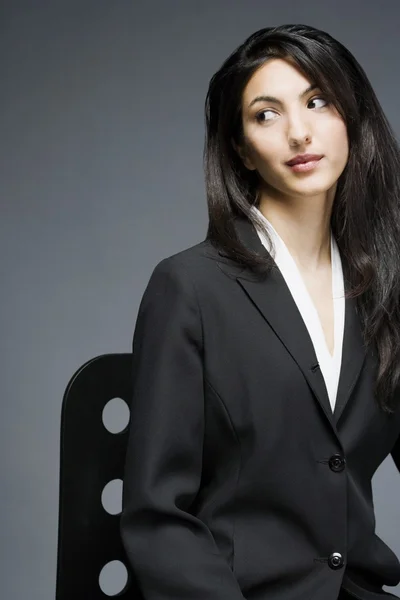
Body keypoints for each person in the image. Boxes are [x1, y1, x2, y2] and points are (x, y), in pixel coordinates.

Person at [120, 23, 400, 600]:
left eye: (318, 101)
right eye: (266, 114)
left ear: (352, 117)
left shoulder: (384, 289)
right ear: (241, 149)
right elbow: (158, 517)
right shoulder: (189, 288)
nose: (300, 132)